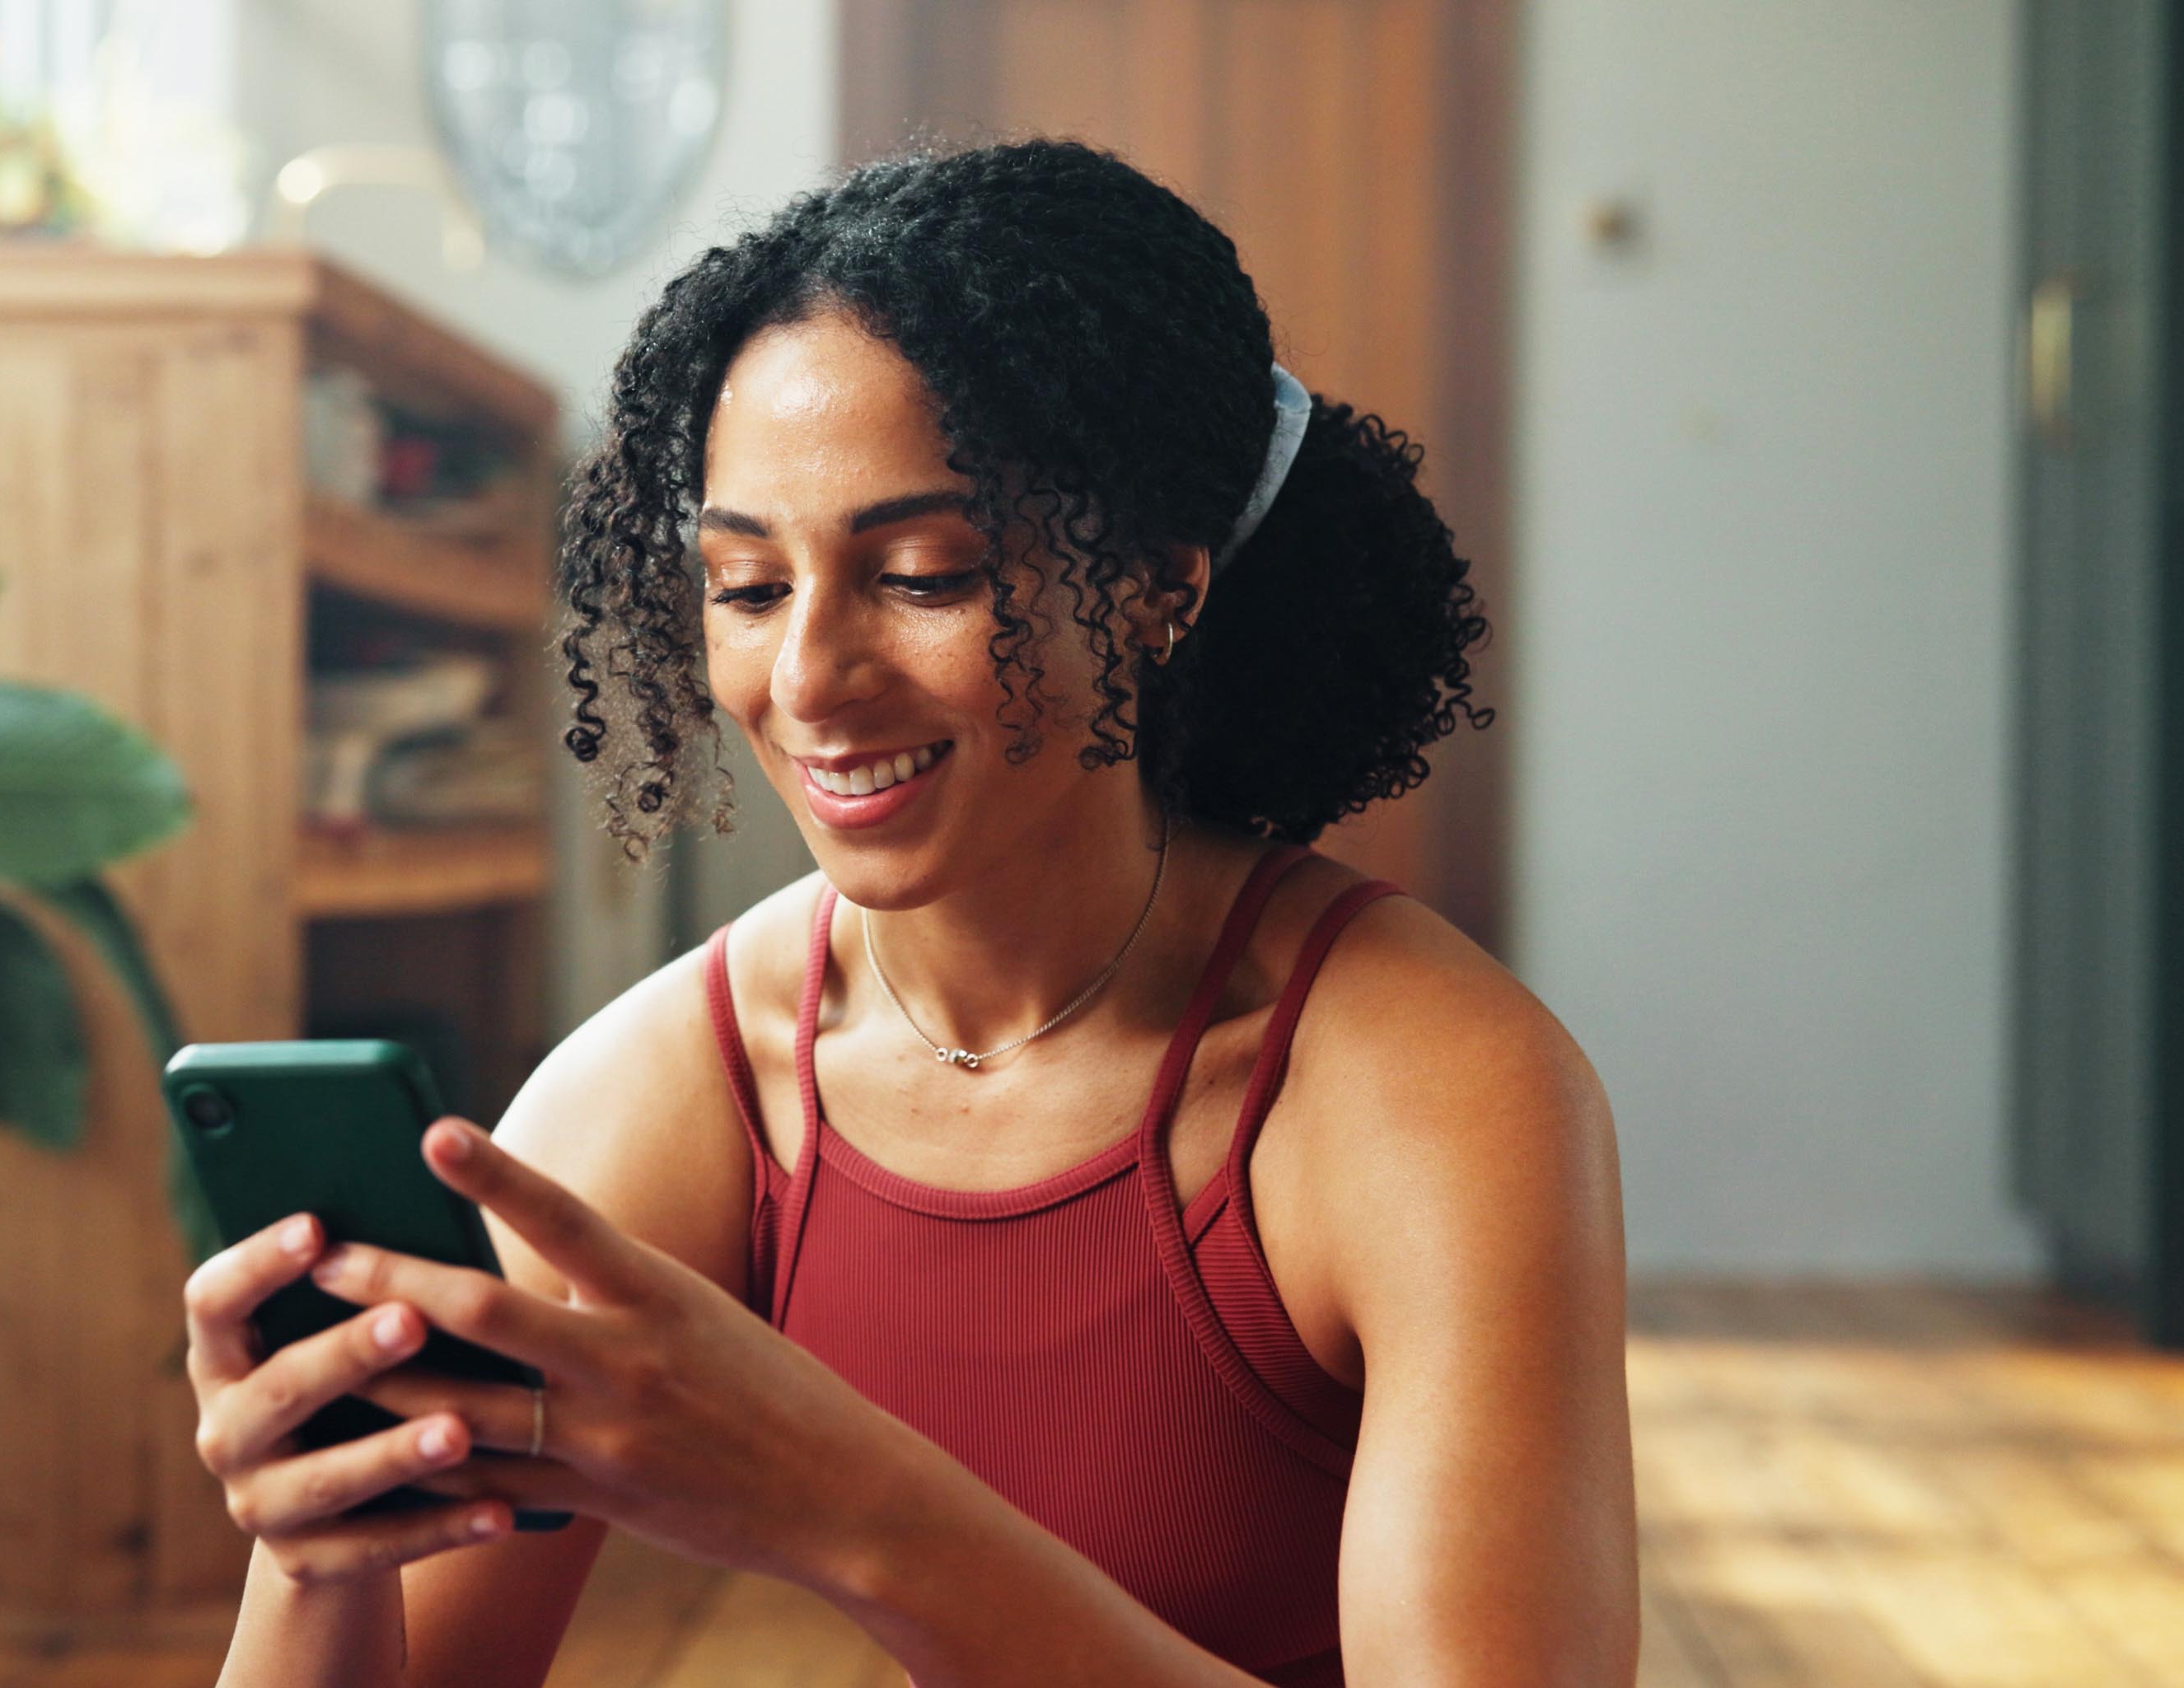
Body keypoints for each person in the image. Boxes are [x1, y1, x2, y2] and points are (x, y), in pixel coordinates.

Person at [185, 138, 1636, 1687]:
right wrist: (318, 1537)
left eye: (922, 574)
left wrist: (844, 1504)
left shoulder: (1426, 1088)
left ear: (1156, 587)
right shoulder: (695, 1081)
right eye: (747, 588)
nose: (807, 677)